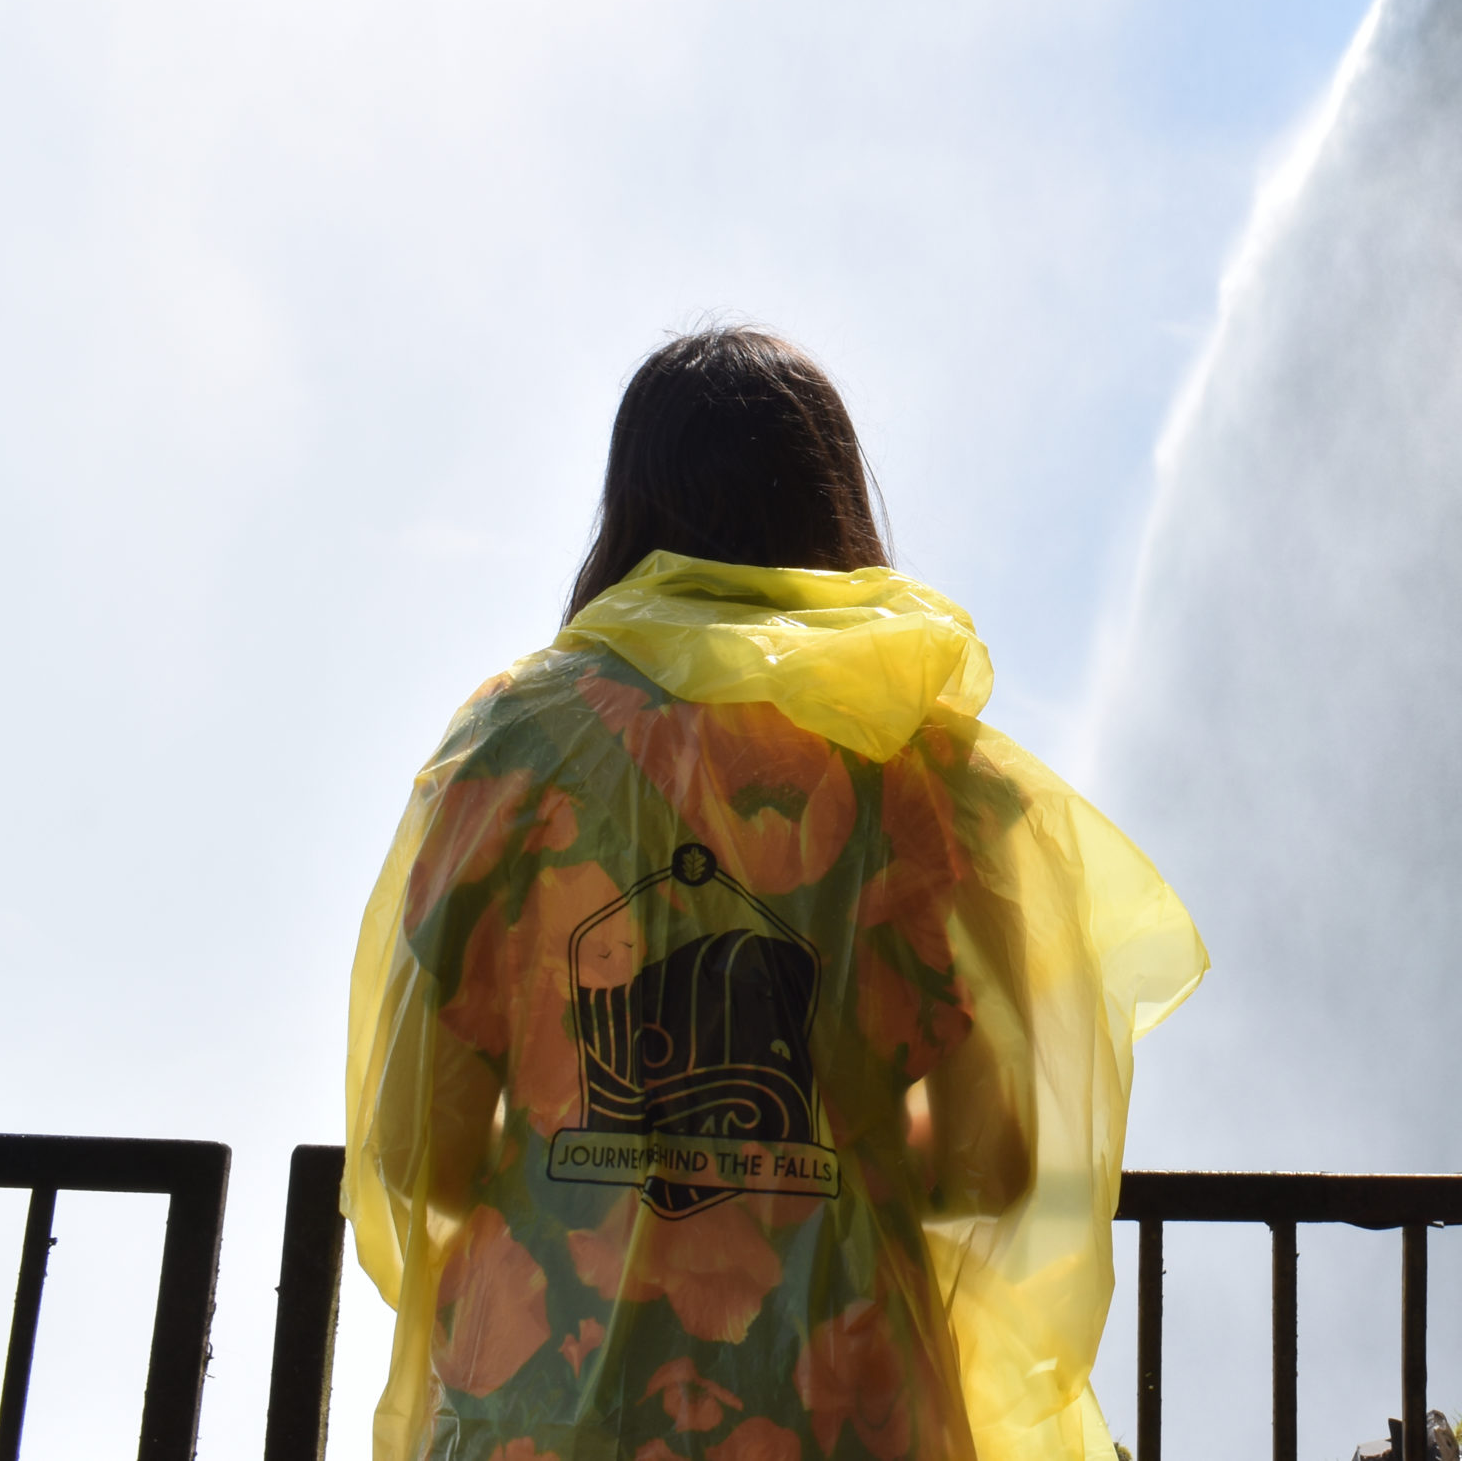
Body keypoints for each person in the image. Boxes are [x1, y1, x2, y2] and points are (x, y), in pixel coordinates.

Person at [345, 326, 1206, 1461]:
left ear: (629, 509)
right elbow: (987, 1166)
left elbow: (417, 1156)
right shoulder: (930, 770)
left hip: (545, 1404)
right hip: (842, 1404)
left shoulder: (513, 747)